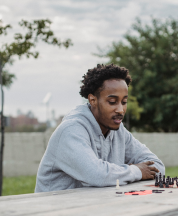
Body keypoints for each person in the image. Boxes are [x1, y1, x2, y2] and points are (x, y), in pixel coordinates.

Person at [35, 64, 165, 192]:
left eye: (124, 102)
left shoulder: (119, 131)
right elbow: (96, 175)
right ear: (93, 100)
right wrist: (135, 171)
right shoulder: (70, 130)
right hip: (54, 209)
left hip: (94, 207)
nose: (120, 110)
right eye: (112, 102)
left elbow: (157, 166)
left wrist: (120, 173)